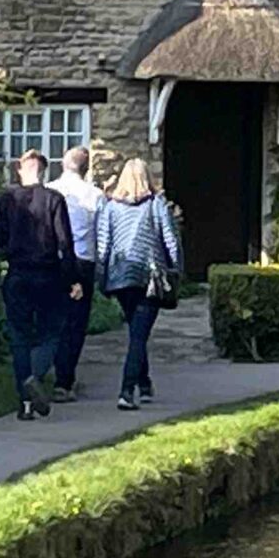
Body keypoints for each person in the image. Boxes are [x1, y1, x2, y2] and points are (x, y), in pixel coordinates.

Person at [0, 149, 82, 421]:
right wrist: (74, 278)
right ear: (44, 171)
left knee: (20, 337)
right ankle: (34, 376)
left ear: (20, 169)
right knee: (51, 333)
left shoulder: (8, 200)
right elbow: (65, 242)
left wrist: (9, 253)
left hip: (18, 274)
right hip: (48, 275)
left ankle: (26, 403)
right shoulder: (54, 199)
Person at [91, 158, 184, 411]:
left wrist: (101, 277)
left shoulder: (110, 208)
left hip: (120, 276)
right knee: (139, 336)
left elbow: (103, 245)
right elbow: (171, 241)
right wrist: (176, 271)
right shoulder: (156, 205)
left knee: (136, 330)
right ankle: (126, 390)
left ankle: (144, 384)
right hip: (149, 276)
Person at [47, 145, 104, 400]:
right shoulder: (94, 195)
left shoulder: (50, 191)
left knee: (53, 316)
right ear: (86, 168)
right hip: (82, 261)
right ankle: (64, 380)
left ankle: (47, 372)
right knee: (76, 321)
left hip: (54, 261)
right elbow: (101, 233)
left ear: (62, 164)